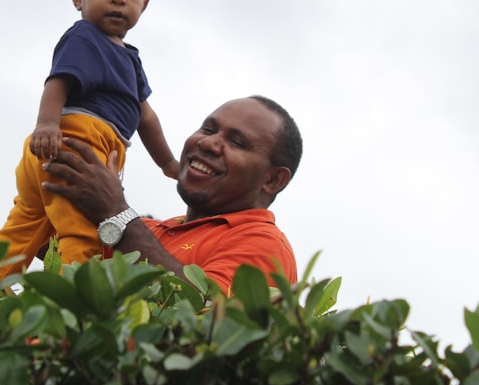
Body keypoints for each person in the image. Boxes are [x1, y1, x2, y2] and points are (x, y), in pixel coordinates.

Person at [0, 0, 180, 277]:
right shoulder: (84, 37)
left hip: (57, 149)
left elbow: (145, 116)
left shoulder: (130, 58)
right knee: (81, 234)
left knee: (23, 230)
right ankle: (76, 301)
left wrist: (167, 162)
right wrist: (47, 124)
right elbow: (58, 82)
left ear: (144, 5)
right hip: (76, 143)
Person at [40, 96, 302, 290]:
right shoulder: (145, 230)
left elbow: (202, 314)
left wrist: (115, 212)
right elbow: (49, 248)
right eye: (208, 129)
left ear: (273, 179)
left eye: (236, 142)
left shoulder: (264, 244)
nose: (208, 143)